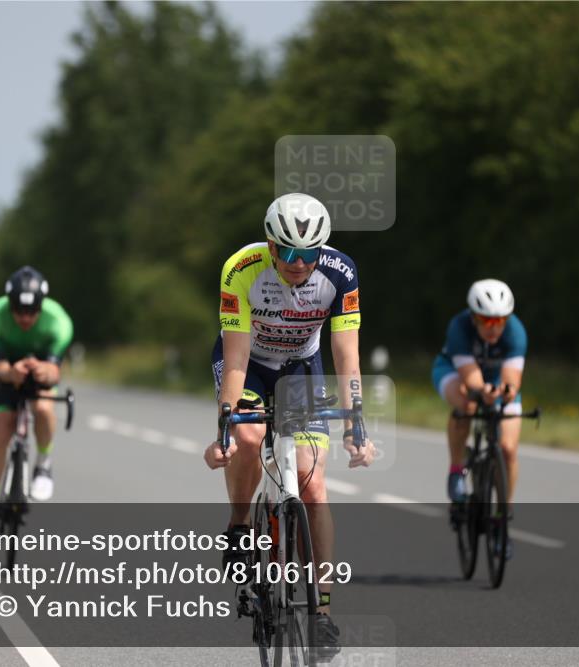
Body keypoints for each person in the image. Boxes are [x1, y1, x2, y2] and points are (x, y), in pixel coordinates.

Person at [203, 192, 376, 658]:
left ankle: (321, 613)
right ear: (270, 245)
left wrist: (355, 422)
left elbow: (346, 355)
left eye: (309, 253)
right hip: (251, 363)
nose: (299, 263)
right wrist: (226, 423)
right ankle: (240, 525)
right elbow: (235, 356)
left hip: (302, 366)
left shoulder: (340, 273)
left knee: (312, 484)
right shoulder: (241, 269)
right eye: (288, 252)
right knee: (248, 434)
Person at [0, 266, 73, 543]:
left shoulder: (59, 322)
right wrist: (10, 374)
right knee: (3, 428)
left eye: (32, 312)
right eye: (19, 310)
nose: (25, 317)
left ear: (42, 307)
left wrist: (45, 371)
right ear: (10, 305)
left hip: (41, 365)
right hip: (6, 368)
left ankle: (43, 463)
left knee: (43, 408)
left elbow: (56, 372)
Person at [431, 279, 527, 549]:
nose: (493, 327)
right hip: (453, 371)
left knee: (508, 448)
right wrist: (482, 391)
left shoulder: (516, 332)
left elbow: (511, 378)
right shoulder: (459, 327)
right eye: (486, 320)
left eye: (500, 321)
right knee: (467, 405)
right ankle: (456, 469)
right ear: (474, 316)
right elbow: (471, 379)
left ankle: (502, 515)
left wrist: (506, 392)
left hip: (496, 379)